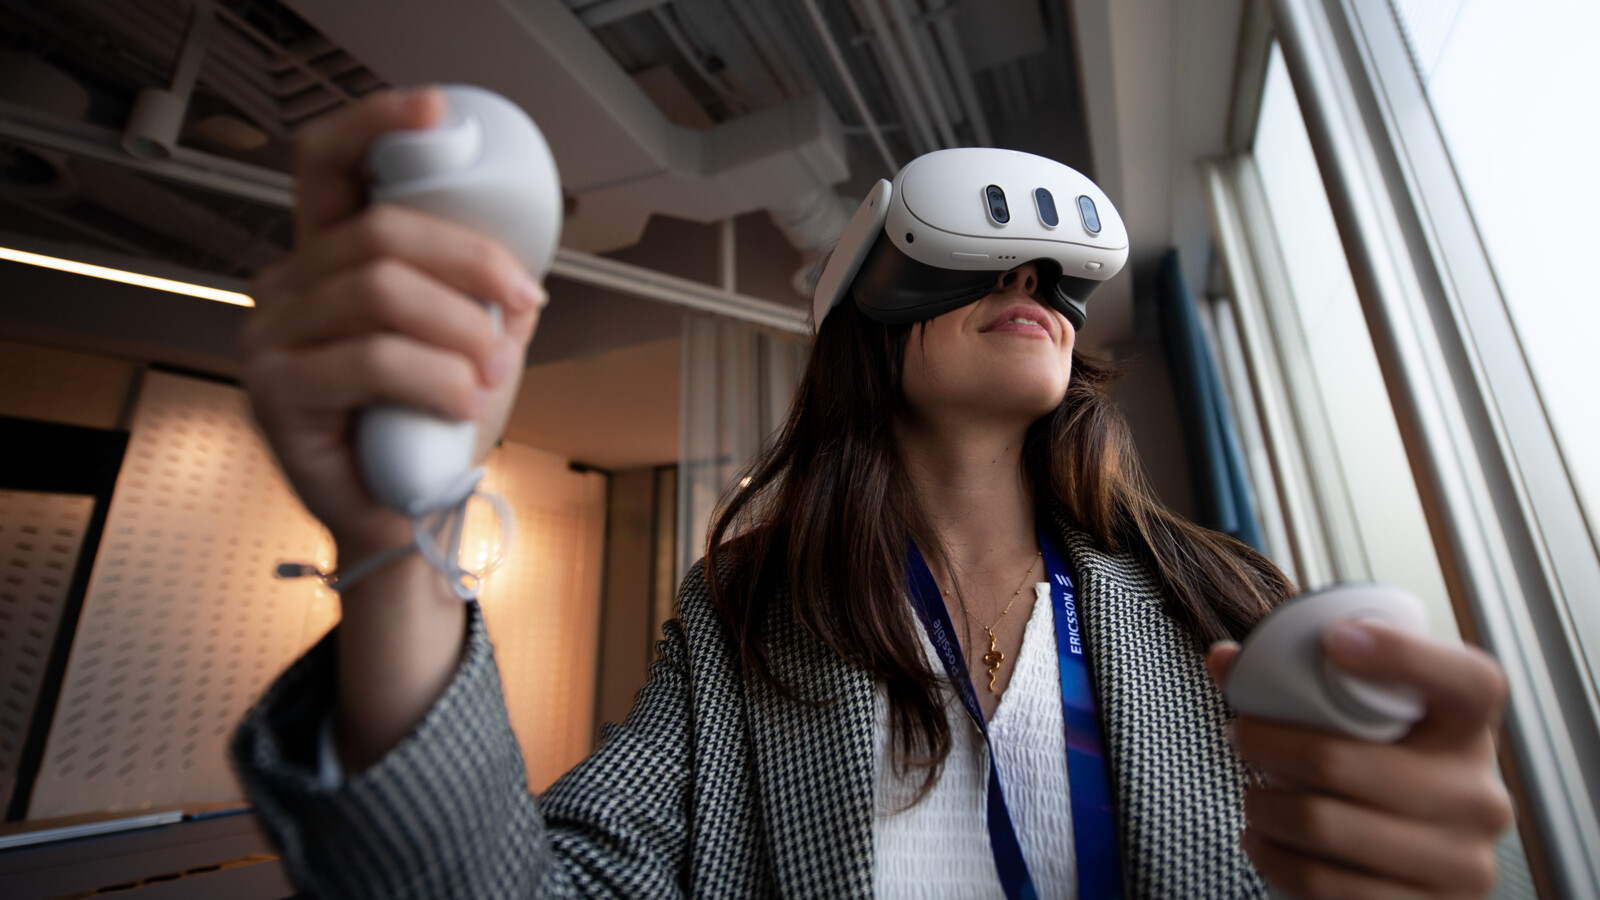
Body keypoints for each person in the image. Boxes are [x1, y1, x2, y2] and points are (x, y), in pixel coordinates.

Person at [235, 86, 1513, 899]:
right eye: (984, 264)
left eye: (1048, 277)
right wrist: (395, 538)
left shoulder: (1214, 601)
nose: (1027, 283)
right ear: (867, 319)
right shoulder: (746, 620)